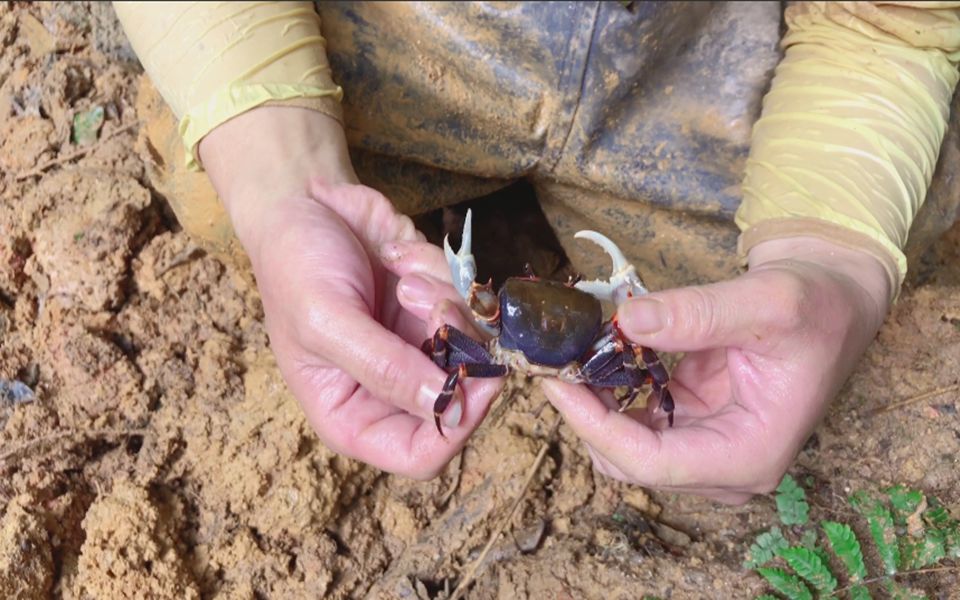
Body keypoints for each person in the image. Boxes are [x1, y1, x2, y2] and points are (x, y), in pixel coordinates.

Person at [114, 2, 960, 504]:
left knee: (768, 305)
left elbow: (893, 24)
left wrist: (830, 254)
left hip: (701, 59)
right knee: (216, 180)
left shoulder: (586, 335)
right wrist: (284, 178)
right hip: (410, 38)